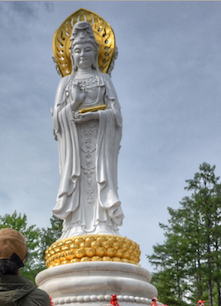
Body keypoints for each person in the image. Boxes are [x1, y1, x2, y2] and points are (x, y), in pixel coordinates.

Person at [51, 20, 124, 239]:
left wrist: (96, 115)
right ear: (70, 55)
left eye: (88, 49)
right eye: (77, 50)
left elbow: (117, 116)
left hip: (99, 142)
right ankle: (74, 226)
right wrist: (73, 104)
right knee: (78, 179)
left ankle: (103, 222)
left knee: (98, 178)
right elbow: (56, 120)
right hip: (74, 143)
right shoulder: (65, 82)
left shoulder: (104, 80)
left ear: (96, 53)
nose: (82, 54)